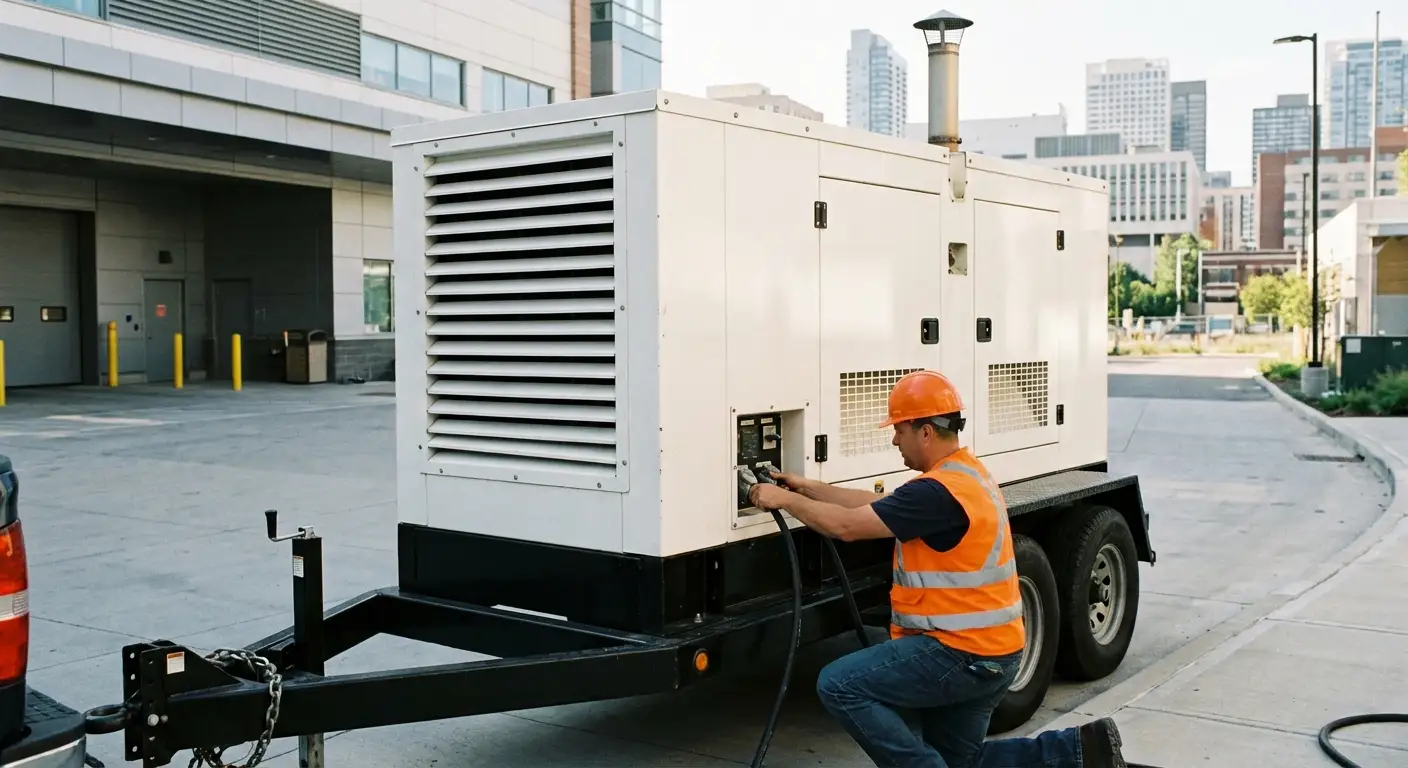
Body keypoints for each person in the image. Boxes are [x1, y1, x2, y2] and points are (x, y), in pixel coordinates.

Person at [747, 369, 1128, 768]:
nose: (894, 439)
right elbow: (870, 505)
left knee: (839, 684)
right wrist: (804, 488)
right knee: (961, 761)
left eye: (900, 429)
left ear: (925, 431)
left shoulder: (936, 492)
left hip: (963, 652)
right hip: (995, 650)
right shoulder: (962, 475)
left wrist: (781, 501)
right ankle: (1081, 751)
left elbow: (846, 527)